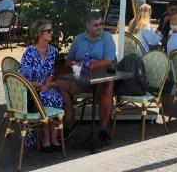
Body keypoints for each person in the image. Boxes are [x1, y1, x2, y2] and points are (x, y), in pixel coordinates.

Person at [55, 12, 117, 145]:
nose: (99, 27)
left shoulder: (107, 38)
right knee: (60, 83)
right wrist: (75, 64)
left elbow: (109, 59)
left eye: (101, 24)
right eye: (96, 25)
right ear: (88, 26)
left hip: (100, 79)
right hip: (80, 79)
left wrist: (91, 65)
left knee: (109, 84)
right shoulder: (78, 39)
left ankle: (103, 129)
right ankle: (70, 120)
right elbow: (68, 61)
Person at [18, 18, 64, 152]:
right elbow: (24, 80)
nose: (51, 33)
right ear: (39, 33)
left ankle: (54, 138)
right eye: (48, 31)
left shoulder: (52, 51)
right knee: (47, 98)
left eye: (51, 30)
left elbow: (50, 73)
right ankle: (45, 139)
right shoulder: (29, 53)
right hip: (31, 89)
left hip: (45, 87)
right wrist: (38, 85)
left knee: (57, 97)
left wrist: (48, 84)